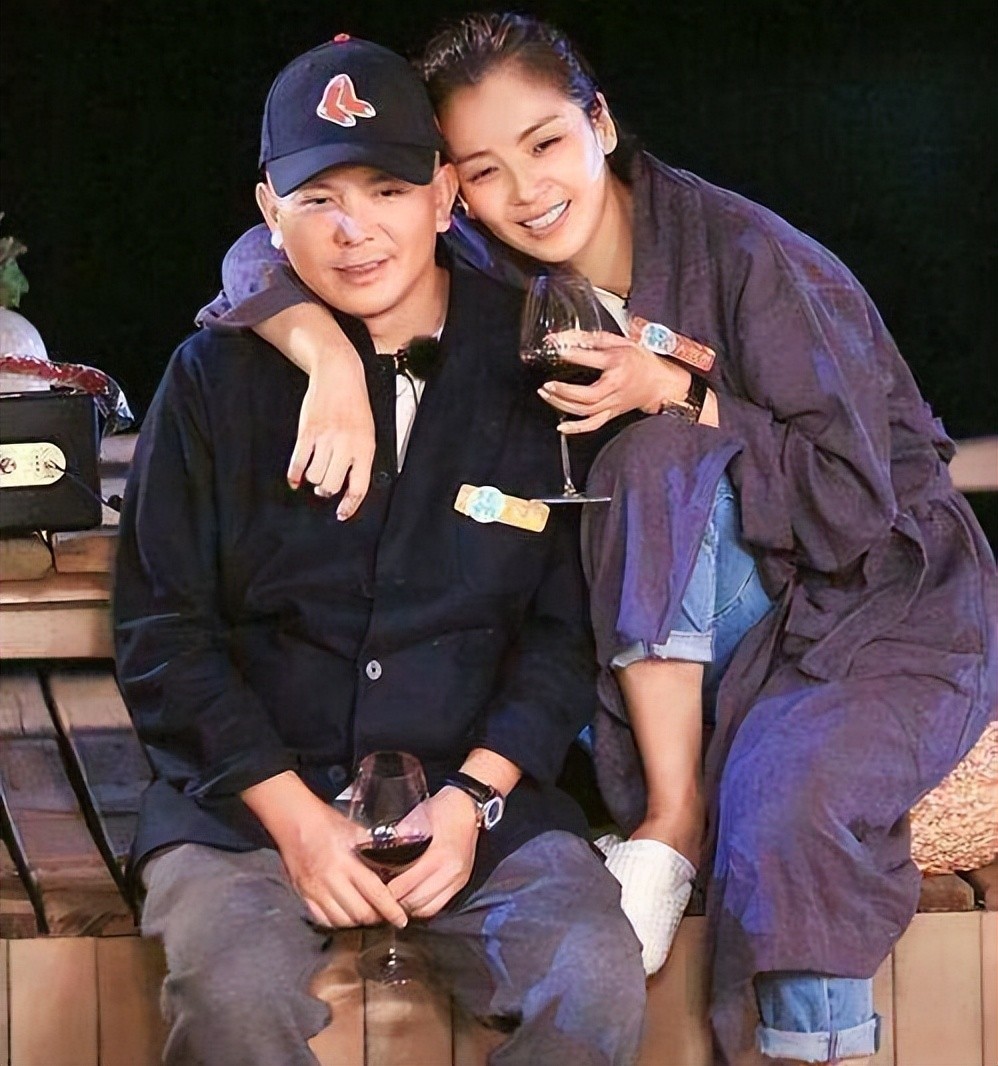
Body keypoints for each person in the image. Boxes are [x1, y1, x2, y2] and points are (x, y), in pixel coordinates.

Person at [203, 14, 997, 1066]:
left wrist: (679, 391)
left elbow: (860, 505)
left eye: (544, 143)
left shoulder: (751, 258)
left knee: (780, 793)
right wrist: (331, 362)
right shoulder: (480, 255)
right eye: (482, 169)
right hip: (664, 605)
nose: (525, 190)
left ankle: (678, 831)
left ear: (601, 124)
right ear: (448, 188)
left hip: (867, 593)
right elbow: (262, 248)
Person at [113, 35, 647, 1066]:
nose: (354, 230)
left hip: (475, 800)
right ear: (268, 212)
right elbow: (162, 632)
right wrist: (294, 819)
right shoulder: (210, 380)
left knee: (590, 975)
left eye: (389, 191)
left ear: (443, 196)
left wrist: (474, 796)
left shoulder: (537, 358)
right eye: (318, 199)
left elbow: (563, 629)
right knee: (232, 994)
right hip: (249, 805)